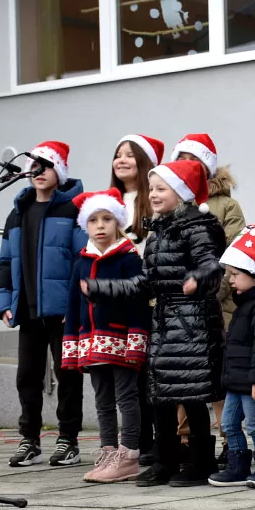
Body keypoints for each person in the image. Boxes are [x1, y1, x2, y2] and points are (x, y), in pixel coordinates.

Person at [85, 159, 226, 487]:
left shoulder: (198, 226)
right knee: (160, 394)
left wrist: (197, 279)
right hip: (163, 319)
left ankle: (199, 461)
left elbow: (211, 265)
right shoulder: (158, 230)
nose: (155, 194)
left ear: (181, 192)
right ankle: (166, 460)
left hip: (192, 320)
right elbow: (145, 281)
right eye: (153, 189)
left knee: (191, 394)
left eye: (162, 188)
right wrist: (101, 289)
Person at [0, 141, 87, 468]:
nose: (39, 171)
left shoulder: (72, 211)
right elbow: (6, 261)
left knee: (68, 375)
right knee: (27, 375)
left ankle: (68, 439)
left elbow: (82, 260)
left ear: (58, 171)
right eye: (34, 165)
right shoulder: (18, 211)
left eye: (46, 165)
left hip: (62, 313)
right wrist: (4, 301)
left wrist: (76, 305)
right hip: (27, 310)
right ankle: (29, 439)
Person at [166, 134, 244, 465]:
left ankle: (231, 439)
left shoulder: (226, 206)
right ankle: (186, 441)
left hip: (216, 303)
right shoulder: (171, 207)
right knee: (184, 376)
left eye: (193, 161)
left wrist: (214, 290)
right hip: (180, 308)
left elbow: (232, 254)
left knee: (219, 378)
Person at [63, 189, 149, 483]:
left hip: (121, 341)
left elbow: (138, 302)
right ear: (85, 226)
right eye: (93, 220)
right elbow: (73, 306)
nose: (100, 226)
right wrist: (72, 343)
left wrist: (136, 341)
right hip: (91, 343)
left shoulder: (128, 259)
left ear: (118, 223)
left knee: (126, 397)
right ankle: (108, 452)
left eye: (107, 219)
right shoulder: (81, 263)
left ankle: (129, 455)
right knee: (102, 400)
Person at [210, 221, 255, 488]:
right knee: (228, 423)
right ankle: (238, 466)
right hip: (236, 382)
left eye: (234, 274)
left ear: (254, 275)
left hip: (252, 382)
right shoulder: (244, 304)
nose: (229, 280)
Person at [110, 133, 163, 466]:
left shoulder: (151, 202)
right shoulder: (109, 200)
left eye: (130, 154)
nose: (122, 160)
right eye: (118, 155)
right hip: (117, 296)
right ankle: (133, 439)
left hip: (147, 297)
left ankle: (154, 440)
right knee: (124, 373)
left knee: (147, 373)